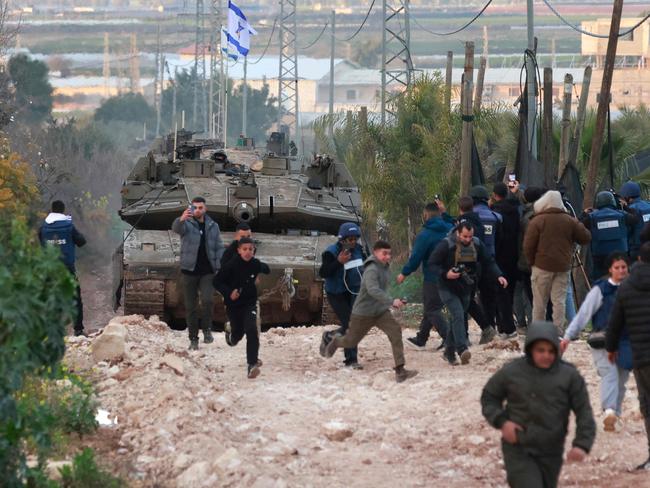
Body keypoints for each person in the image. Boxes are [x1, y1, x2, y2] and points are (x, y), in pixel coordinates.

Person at [481, 321, 596, 488]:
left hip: (551, 450)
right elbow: (489, 397)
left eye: (551, 351)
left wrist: (582, 444)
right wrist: (502, 422)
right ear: (530, 349)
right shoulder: (512, 371)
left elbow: (584, 411)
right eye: (540, 350)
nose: (546, 355)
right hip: (518, 448)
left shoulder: (569, 376)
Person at [319, 240, 418, 383]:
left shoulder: (384, 267)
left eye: (389, 254)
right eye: (384, 253)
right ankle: (335, 342)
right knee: (350, 340)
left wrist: (396, 299)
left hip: (380, 311)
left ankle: (400, 370)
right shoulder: (371, 268)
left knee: (395, 331)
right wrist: (391, 301)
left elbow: (384, 288)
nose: (387, 256)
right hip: (364, 313)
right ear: (375, 253)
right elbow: (373, 290)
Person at [561, 252, 631, 432]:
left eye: (624, 267)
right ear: (610, 269)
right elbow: (584, 314)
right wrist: (568, 336)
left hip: (625, 342)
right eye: (617, 268)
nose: (621, 271)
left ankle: (615, 412)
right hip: (603, 341)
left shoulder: (632, 288)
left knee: (621, 379)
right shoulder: (600, 290)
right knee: (610, 375)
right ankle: (610, 410)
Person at [429, 222, 507, 365]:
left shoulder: (477, 244)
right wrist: (446, 273)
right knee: (458, 314)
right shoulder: (446, 245)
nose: (467, 239)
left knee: (455, 319)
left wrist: (499, 275)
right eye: (465, 236)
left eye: (470, 236)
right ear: (458, 233)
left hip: (466, 287)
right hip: (446, 287)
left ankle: (448, 352)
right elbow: (432, 264)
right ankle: (462, 349)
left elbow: (489, 261)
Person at [606, 242, 650, 470]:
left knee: (648, 404)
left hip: (642, 357)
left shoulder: (626, 287)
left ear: (638, 261)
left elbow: (614, 324)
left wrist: (611, 348)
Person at [523, 190, 591, 332]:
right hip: (563, 266)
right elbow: (585, 237)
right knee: (559, 301)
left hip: (541, 266)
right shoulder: (569, 220)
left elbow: (528, 246)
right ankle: (559, 331)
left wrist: (532, 263)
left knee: (540, 302)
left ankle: (538, 331)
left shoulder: (537, 220)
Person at [397, 201, 454, 350]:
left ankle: (449, 338)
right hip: (451, 275)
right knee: (430, 307)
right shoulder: (450, 228)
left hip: (433, 278)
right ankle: (421, 338)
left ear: (426, 215)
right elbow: (456, 223)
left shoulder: (425, 235)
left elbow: (415, 258)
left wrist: (404, 273)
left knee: (432, 309)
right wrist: (445, 213)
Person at [172, 197, 225, 350]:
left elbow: (219, 246)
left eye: (201, 207)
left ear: (205, 208)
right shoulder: (186, 224)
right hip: (189, 270)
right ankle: (193, 338)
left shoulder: (213, 225)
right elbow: (176, 229)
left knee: (208, 300)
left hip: (208, 271)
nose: (198, 210)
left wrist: (221, 266)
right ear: (191, 208)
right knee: (190, 306)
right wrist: (181, 219)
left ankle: (207, 329)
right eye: (195, 207)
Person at [213, 237, 270, 378]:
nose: (247, 252)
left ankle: (252, 364)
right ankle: (231, 336)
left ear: (254, 251)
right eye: (244, 249)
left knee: (251, 328)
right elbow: (216, 281)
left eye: (250, 249)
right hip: (234, 305)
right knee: (238, 335)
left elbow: (266, 269)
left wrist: (261, 269)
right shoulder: (231, 265)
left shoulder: (255, 263)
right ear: (239, 250)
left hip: (250, 302)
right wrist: (229, 292)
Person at [319, 222, 367, 369]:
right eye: (349, 239)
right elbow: (323, 272)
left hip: (353, 291)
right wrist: (338, 262)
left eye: (355, 239)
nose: (352, 242)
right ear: (342, 239)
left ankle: (334, 340)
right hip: (336, 292)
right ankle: (349, 359)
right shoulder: (331, 252)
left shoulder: (359, 250)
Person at [39, 200, 87, 336]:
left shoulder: (43, 228)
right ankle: (78, 330)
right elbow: (82, 242)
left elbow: (41, 244)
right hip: (67, 268)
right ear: (63, 210)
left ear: (52, 210)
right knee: (75, 298)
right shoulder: (69, 226)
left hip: (49, 268)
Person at [457, 196, 496, 344]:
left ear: (460, 209)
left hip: (465, 268)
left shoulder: (462, 225)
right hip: (477, 268)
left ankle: (466, 336)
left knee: (464, 302)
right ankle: (487, 328)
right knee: (468, 302)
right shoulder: (478, 222)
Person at [581, 191, 637, 281]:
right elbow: (635, 219)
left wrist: (584, 213)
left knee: (600, 280)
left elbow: (580, 225)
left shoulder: (591, 217)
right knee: (622, 280)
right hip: (621, 253)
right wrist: (626, 207)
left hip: (599, 255)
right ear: (612, 201)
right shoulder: (622, 215)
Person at [491, 182, 520, 338]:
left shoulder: (494, 212)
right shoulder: (515, 211)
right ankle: (505, 325)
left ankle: (506, 327)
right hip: (514, 256)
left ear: (495, 195)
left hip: (499, 256)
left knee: (500, 293)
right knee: (510, 292)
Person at [515, 187, 546, 332]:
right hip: (542, 261)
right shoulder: (545, 213)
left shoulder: (524, 216)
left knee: (529, 295)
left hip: (527, 262)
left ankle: (532, 324)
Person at [619, 181, 650, 260]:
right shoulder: (648, 205)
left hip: (637, 249)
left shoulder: (631, 210)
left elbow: (626, 231)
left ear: (627, 198)